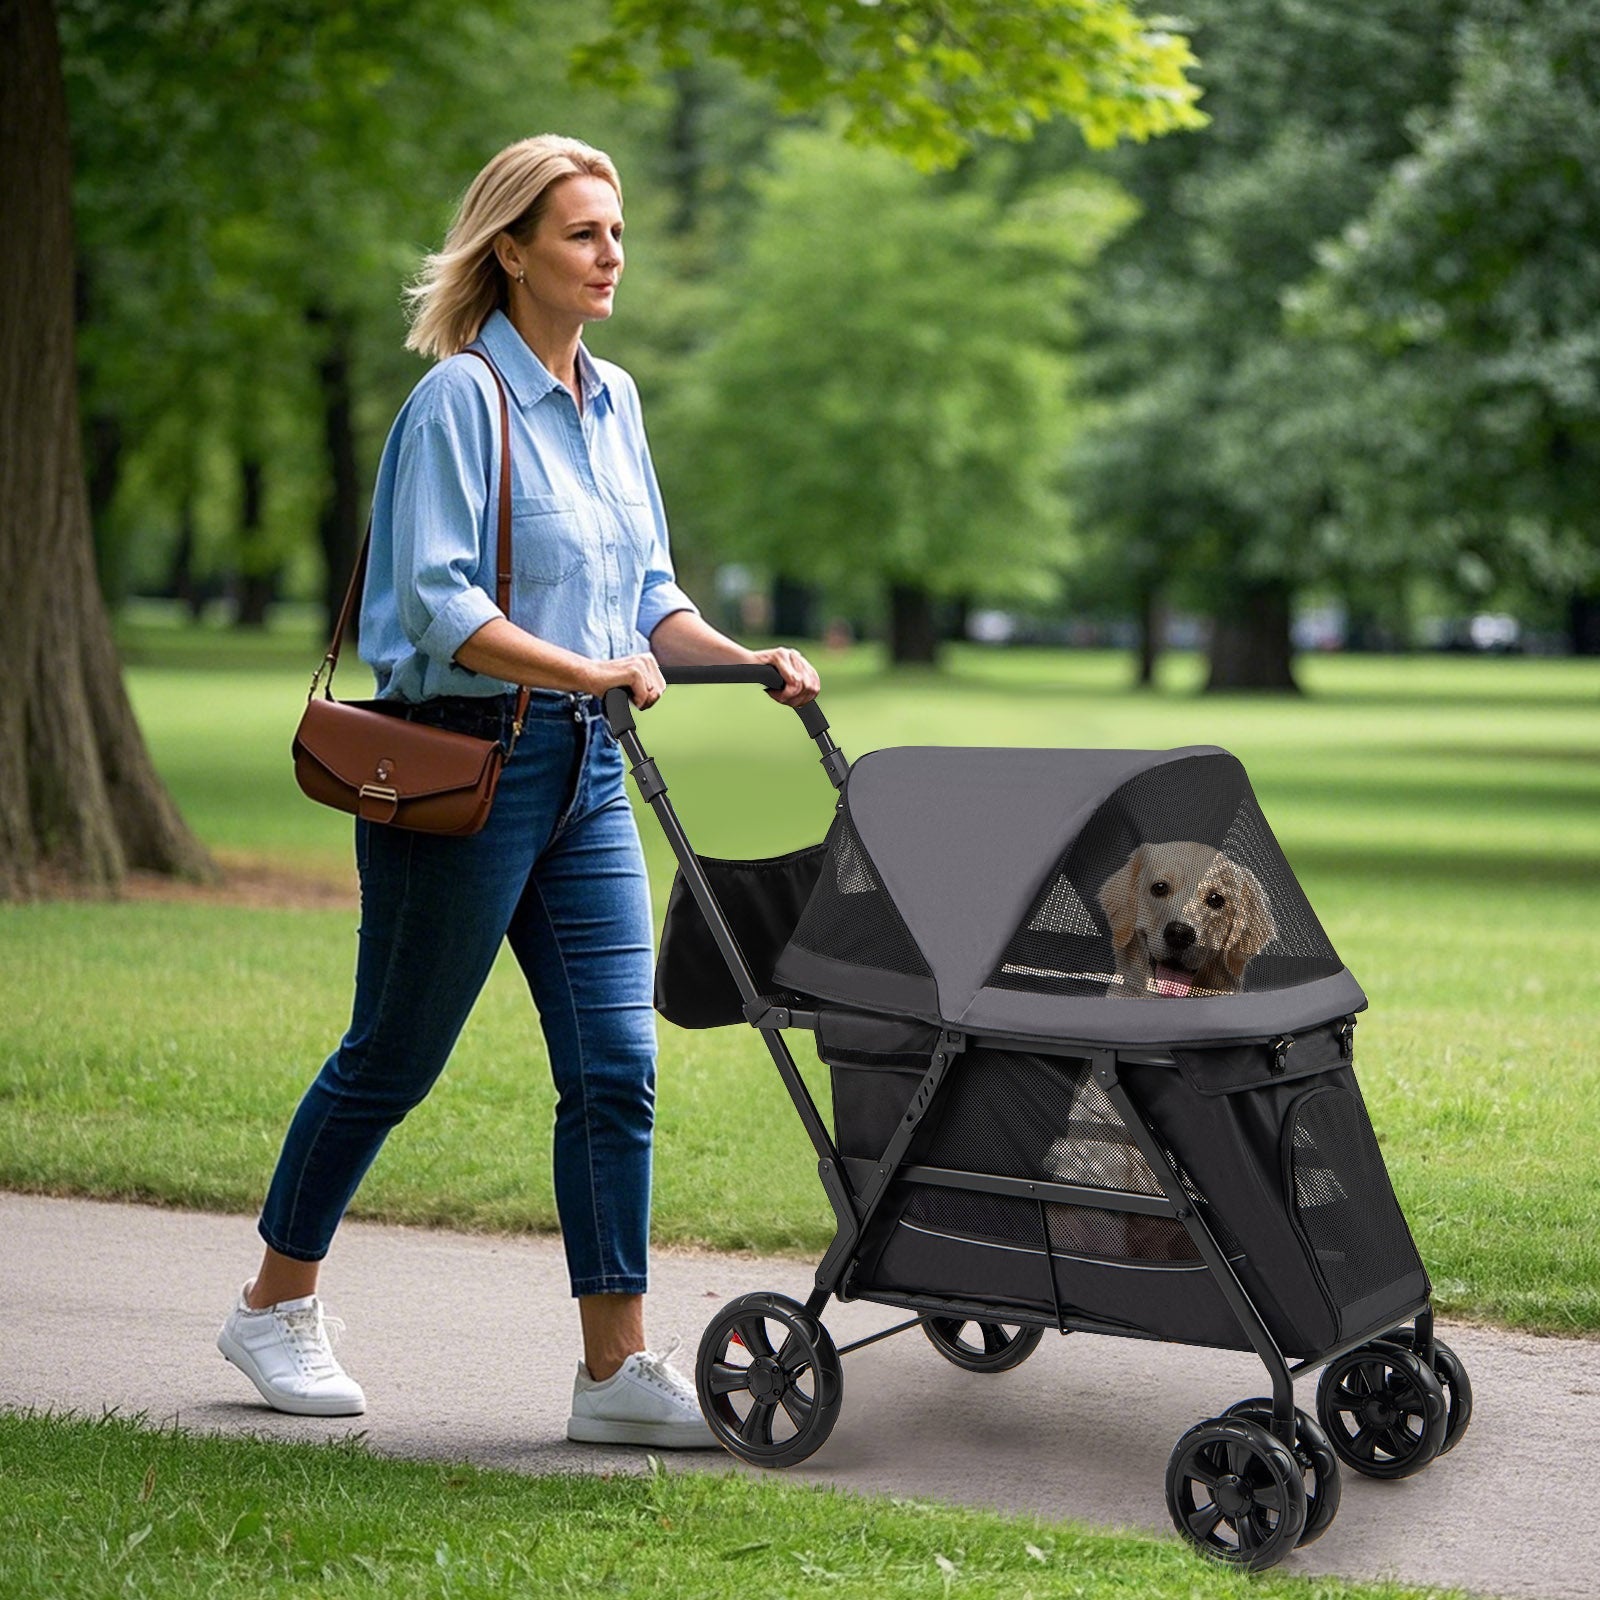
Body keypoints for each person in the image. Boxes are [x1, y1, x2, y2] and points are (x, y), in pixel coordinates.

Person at [217, 134, 819, 1448]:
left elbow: (648, 595)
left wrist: (743, 660)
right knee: (394, 1056)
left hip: (587, 771)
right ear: (511, 250)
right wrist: (584, 667)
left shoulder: (617, 400)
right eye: (583, 233)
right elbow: (441, 605)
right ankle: (272, 1305)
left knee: (616, 1067)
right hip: (464, 765)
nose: (612, 255)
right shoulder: (459, 402)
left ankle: (614, 1369)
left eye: (618, 231)